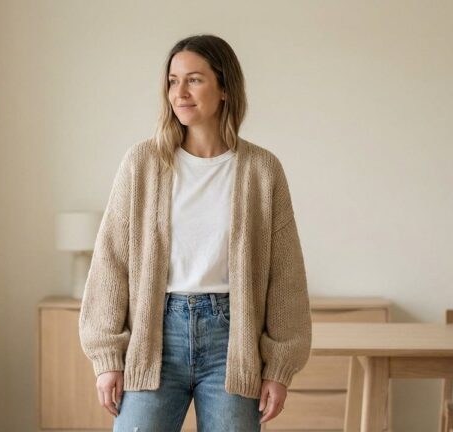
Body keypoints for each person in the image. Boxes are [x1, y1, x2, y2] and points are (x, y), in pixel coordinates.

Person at [79, 34, 311, 432]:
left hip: (232, 341)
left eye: (194, 80)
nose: (179, 92)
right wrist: (107, 357)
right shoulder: (143, 163)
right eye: (172, 80)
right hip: (155, 338)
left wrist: (279, 368)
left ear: (224, 88)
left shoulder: (261, 170)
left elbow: (285, 276)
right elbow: (110, 261)